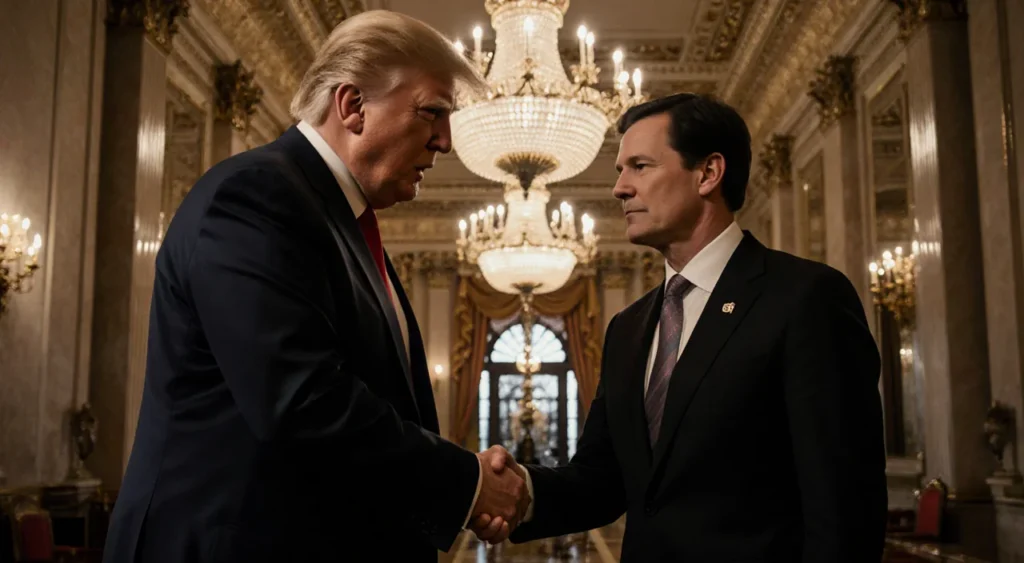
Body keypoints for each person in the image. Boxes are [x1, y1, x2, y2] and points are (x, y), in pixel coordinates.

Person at [103, 11, 529, 563]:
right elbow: (302, 401)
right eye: (433, 113)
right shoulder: (255, 197)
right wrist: (467, 483)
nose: (445, 141)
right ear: (352, 106)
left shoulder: (335, 221)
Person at [476, 93, 888, 562]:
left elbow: (844, 510)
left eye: (640, 166)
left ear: (708, 173)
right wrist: (519, 491)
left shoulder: (805, 299)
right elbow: (603, 480)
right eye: (619, 171)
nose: (620, 188)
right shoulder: (627, 329)